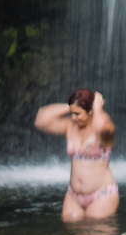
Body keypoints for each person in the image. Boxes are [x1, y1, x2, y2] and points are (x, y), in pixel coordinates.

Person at [35, 88, 118, 221]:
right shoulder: (71, 126)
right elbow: (41, 120)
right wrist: (71, 106)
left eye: (78, 114)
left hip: (101, 194)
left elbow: (103, 127)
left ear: (90, 112)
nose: (73, 117)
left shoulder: (103, 127)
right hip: (73, 195)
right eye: (72, 113)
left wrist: (97, 108)